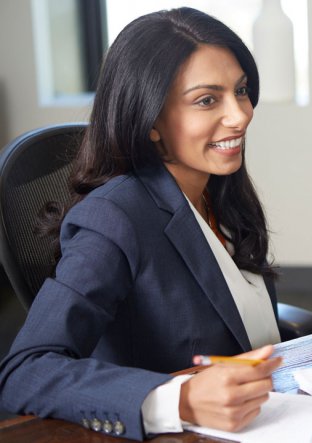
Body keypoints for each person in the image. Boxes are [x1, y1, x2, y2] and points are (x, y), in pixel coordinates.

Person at [0, 7, 284, 440]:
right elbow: (25, 370)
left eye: (241, 90)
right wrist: (179, 399)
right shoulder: (114, 217)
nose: (240, 115)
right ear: (151, 120)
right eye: (208, 99)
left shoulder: (222, 190)